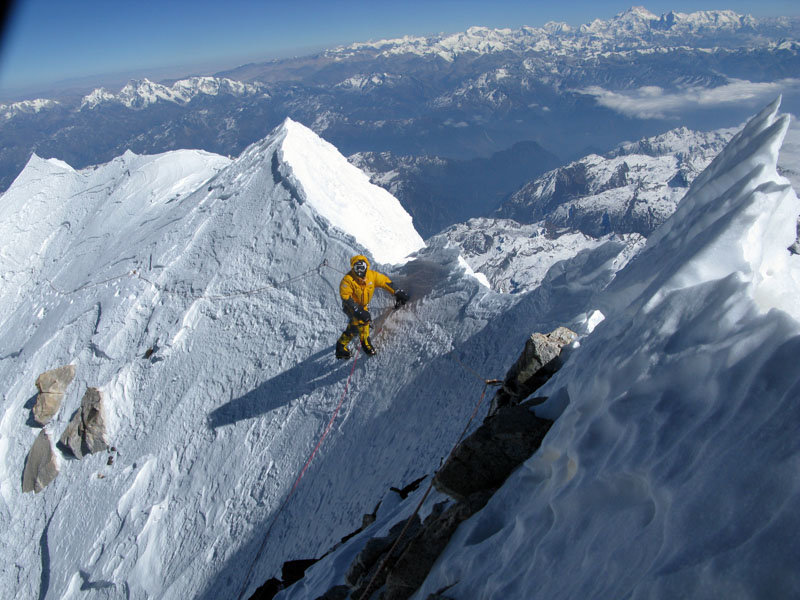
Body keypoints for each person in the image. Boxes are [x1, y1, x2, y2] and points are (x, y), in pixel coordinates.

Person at [336, 254, 409, 359]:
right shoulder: (347, 280)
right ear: (353, 268)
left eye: (362, 267)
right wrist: (358, 311)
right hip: (350, 306)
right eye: (357, 268)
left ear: (367, 266)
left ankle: (340, 346)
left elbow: (384, 282)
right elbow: (346, 297)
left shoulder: (372, 276)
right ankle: (366, 344)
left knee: (355, 326)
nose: (360, 271)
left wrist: (397, 291)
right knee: (361, 321)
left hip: (363, 306)